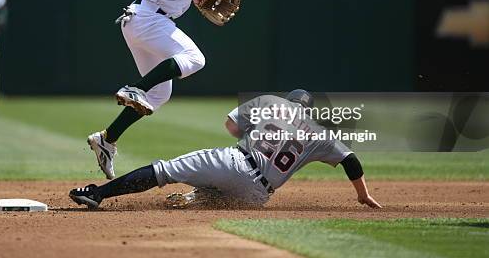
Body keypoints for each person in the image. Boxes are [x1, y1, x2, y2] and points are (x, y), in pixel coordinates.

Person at [87, 0, 270, 180]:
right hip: (149, 20)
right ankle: (135, 88)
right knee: (195, 58)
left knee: (160, 94)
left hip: (138, 18)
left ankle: (106, 140)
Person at [72, 90, 382, 209]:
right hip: (258, 195)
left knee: (165, 170)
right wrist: (362, 195)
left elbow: (231, 127)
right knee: (219, 199)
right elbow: (350, 159)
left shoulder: (272, 102)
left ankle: (97, 194)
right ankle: (197, 198)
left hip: (235, 163)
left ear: (290, 100)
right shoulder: (317, 131)